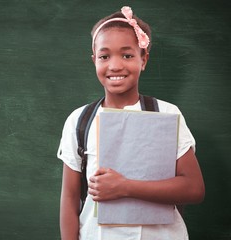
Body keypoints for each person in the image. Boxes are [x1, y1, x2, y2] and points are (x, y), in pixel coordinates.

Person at [57, 6, 205, 240]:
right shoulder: (79, 121)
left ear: (143, 59)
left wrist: (125, 187)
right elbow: (69, 198)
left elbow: (194, 189)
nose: (115, 66)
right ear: (94, 60)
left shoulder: (166, 113)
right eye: (105, 56)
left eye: (127, 55)